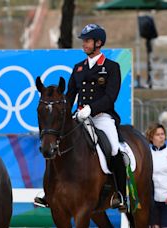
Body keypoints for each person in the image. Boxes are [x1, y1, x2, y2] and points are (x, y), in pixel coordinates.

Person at [34, 24, 127, 211]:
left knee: (115, 149)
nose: (84, 44)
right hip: (79, 117)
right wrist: (66, 111)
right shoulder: (78, 68)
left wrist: (91, 109)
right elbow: (70, 95)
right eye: (83, 41)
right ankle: (48, 190)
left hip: (102, 117)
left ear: (98, 43)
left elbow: (111, 97)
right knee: (57, 143)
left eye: (87, 41)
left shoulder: (111, 67)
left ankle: (120, 193)